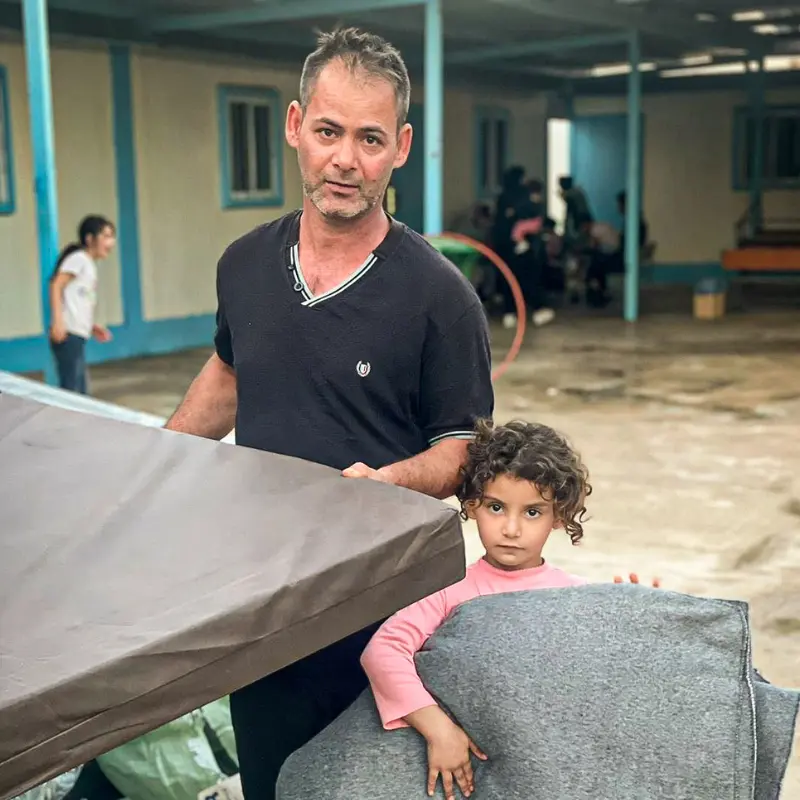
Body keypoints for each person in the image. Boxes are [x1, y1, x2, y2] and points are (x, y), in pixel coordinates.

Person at [162, 27, 494, 800]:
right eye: (329, 131)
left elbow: (464, 451)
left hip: (385, 625)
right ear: (295, 127)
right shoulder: (244, 264)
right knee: (273, 783)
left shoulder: (440, 297)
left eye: (370, 138)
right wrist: (154, 465)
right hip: (264, 607)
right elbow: (231, 371)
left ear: (401, 146)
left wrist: (381, 483)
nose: (346, 159)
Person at [361, 419, 591, 799]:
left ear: (560, 516)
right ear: (471, 505)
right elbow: (383, 651)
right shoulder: (448, 590)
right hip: (470, 767)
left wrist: (631, 610)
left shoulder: (579, 595)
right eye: (496, 507)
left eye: (532, 512)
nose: (512, 529)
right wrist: (439, 730)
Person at [48, 215, 116, 394]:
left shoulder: (88, 264)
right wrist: (58, 322)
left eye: (112, 236)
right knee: (73, 393)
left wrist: (92, 327)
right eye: (106, 236)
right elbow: (56, 285)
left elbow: (78, 300)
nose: (111, 242)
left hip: (77, 335)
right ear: (89, 238)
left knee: (78, 391)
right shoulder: (79, 258)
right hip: (68, 334)